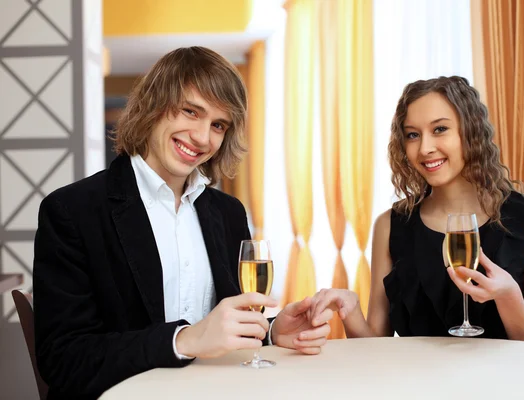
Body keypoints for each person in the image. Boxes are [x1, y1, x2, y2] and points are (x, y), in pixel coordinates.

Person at [33, 46, 332, 400]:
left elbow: (218, 331)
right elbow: (64, 360)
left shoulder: (228, 212)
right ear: (154, 105)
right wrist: (184, 340)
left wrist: (270, 331)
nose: (203, 138)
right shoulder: (72, 210)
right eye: (191, 112)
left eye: (218, 125)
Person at [310, 76, 524, 343]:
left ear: (470, 131)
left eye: (440, 129)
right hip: (413, 384)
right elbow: (375, 347)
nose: (425, 148)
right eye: (413, 135)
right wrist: (351, 312)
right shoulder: (390, 226)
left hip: (500, 384)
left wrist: (509, 297)